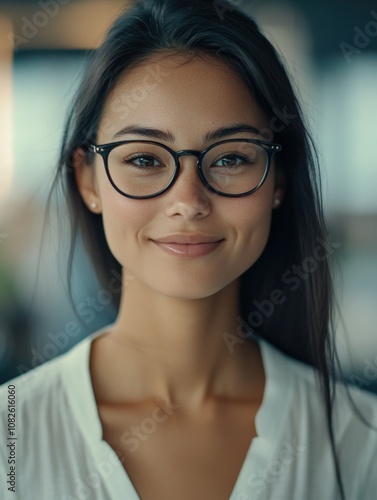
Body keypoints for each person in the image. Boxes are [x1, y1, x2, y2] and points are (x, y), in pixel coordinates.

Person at [1, 0, 377, 498]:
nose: (188, 201)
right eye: (143, 158)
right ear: (87, 180)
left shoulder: (361, 444)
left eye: (231, 158)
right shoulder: (11, 436)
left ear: (278, 180)